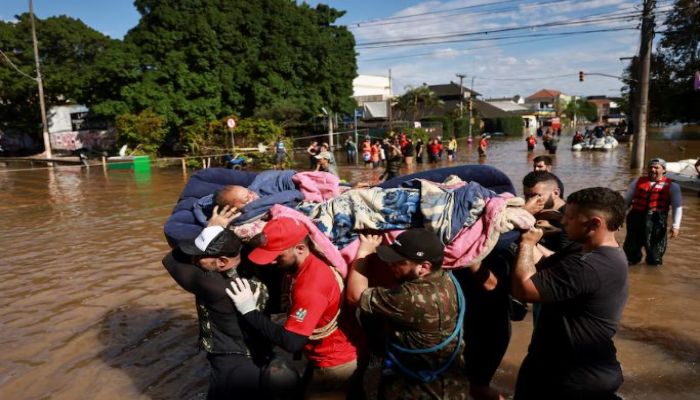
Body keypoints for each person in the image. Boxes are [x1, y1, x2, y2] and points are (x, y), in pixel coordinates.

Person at [162, 208, 299, 399]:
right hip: (261, 350)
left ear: (222, 261)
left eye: (199, 256)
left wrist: (211, 227)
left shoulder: (213, 286)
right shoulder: (257, 267)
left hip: (231, 360)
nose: (194, 260)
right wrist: (222, 235)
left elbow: (170, 260)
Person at [511, 187, 629, 400]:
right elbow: (541, 268)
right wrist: (528, 229)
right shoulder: (588, 251)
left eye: (570, 217)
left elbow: (523, 289)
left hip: (571, 377)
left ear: (594, 224)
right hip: (564, 366)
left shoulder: (589, 266)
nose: (563, 221)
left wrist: (527, 243)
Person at [226, 217, 361, 399]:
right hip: (331, 349)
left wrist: (249, 311)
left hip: (335, 361)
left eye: (277, 256)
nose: (271, 262)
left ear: (300, 248)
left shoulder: (310, 287)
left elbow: (292, 342)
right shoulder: (308, 260)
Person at [346, 229, 468, 400]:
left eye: (399, 262)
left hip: (418, 391)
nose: (390, 264)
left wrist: (364, 253)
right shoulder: (447, 278)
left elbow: (354, 295)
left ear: (424, 267)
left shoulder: (410, 298)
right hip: (454, 387)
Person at [622, 158, 682, 266]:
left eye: (656, 167)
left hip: (657, 220)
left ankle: (653, 270)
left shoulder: (673, 186)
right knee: (631, 251)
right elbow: (626, 201)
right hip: (636, 218)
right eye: (650, 167)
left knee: (655, 255)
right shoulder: (637, 182)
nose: (652, 170)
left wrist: (675, 226)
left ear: (663, 170)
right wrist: (619, 218)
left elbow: (677, 207)